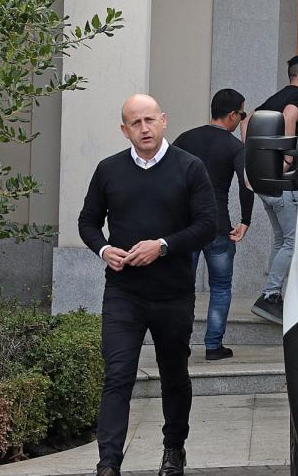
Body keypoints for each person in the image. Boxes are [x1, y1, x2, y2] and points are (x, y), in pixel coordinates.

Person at [79, 95, 217, 476]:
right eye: (135, 123)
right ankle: (108, 464)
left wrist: (163, 246)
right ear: (124, 130)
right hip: (124, 291)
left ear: (164, 121)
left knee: (174, 374)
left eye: (149, 120)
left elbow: (208, 225)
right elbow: (87, 222)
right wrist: (103, 248)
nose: (144, 128)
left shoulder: (190, 168)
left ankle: (174, 449)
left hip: (172, 293)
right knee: (118, 374)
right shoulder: (109, 170)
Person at [173, 88, 255, 361]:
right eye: (241, 114)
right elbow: (247, 184)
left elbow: (166, 177)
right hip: (218, 225)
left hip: (185, 227)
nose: (241, 119)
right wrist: (245, 220)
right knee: (220, 287)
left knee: (182, 288)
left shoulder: (185, 139)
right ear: (232, 115)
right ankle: (213, 346)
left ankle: (179, 346)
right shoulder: (235, 147)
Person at [245, 54, 298, 324]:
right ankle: (270, 296)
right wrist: (287, 156)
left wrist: (251, 160)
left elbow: (247, 119)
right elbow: (290, 116)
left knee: (280, 238)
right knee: (292, 239)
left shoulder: (273, 98)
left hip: (267, 181)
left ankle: (272, 294)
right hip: (285, 182)